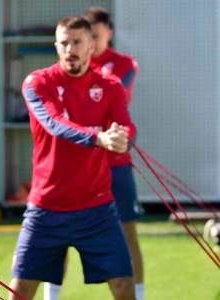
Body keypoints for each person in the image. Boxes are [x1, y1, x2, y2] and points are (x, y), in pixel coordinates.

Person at [9, 16, 137, 300]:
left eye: (77, 42)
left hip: (97, 207)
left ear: (91, 45)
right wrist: (99, 138)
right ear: (56, 46)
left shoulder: (110, 85)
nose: (70, 49)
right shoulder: (37, 82)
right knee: (20, 291)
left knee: (123, 285)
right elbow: (54, 123)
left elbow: (127, 126)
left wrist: (122, 137)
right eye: (64, 43)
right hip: (46, 207)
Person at [44, 8, 144, 300]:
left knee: (127, 234)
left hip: (115, 163)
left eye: (94, 37)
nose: (79, 46)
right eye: (69, 42)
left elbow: (119, 104)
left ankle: (139, 295)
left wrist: (119, 136)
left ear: (104, 35)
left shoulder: (122, 66)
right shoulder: (63, 70)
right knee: (56, 239)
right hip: (73, 167)